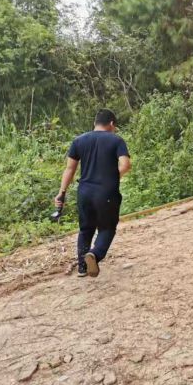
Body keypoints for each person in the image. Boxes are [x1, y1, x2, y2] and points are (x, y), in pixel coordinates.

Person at [55, 109, 131, 277]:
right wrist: (112, 176)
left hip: (84, 192)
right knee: (107, 228)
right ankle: (94, 255)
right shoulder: (116, 140)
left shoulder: (79, 141)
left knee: (85, 229)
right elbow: (125, 164)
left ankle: (82, 267)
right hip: (106, 193)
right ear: (111, 124)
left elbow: (69, 169)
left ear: (95, 123)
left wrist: (62, 192)